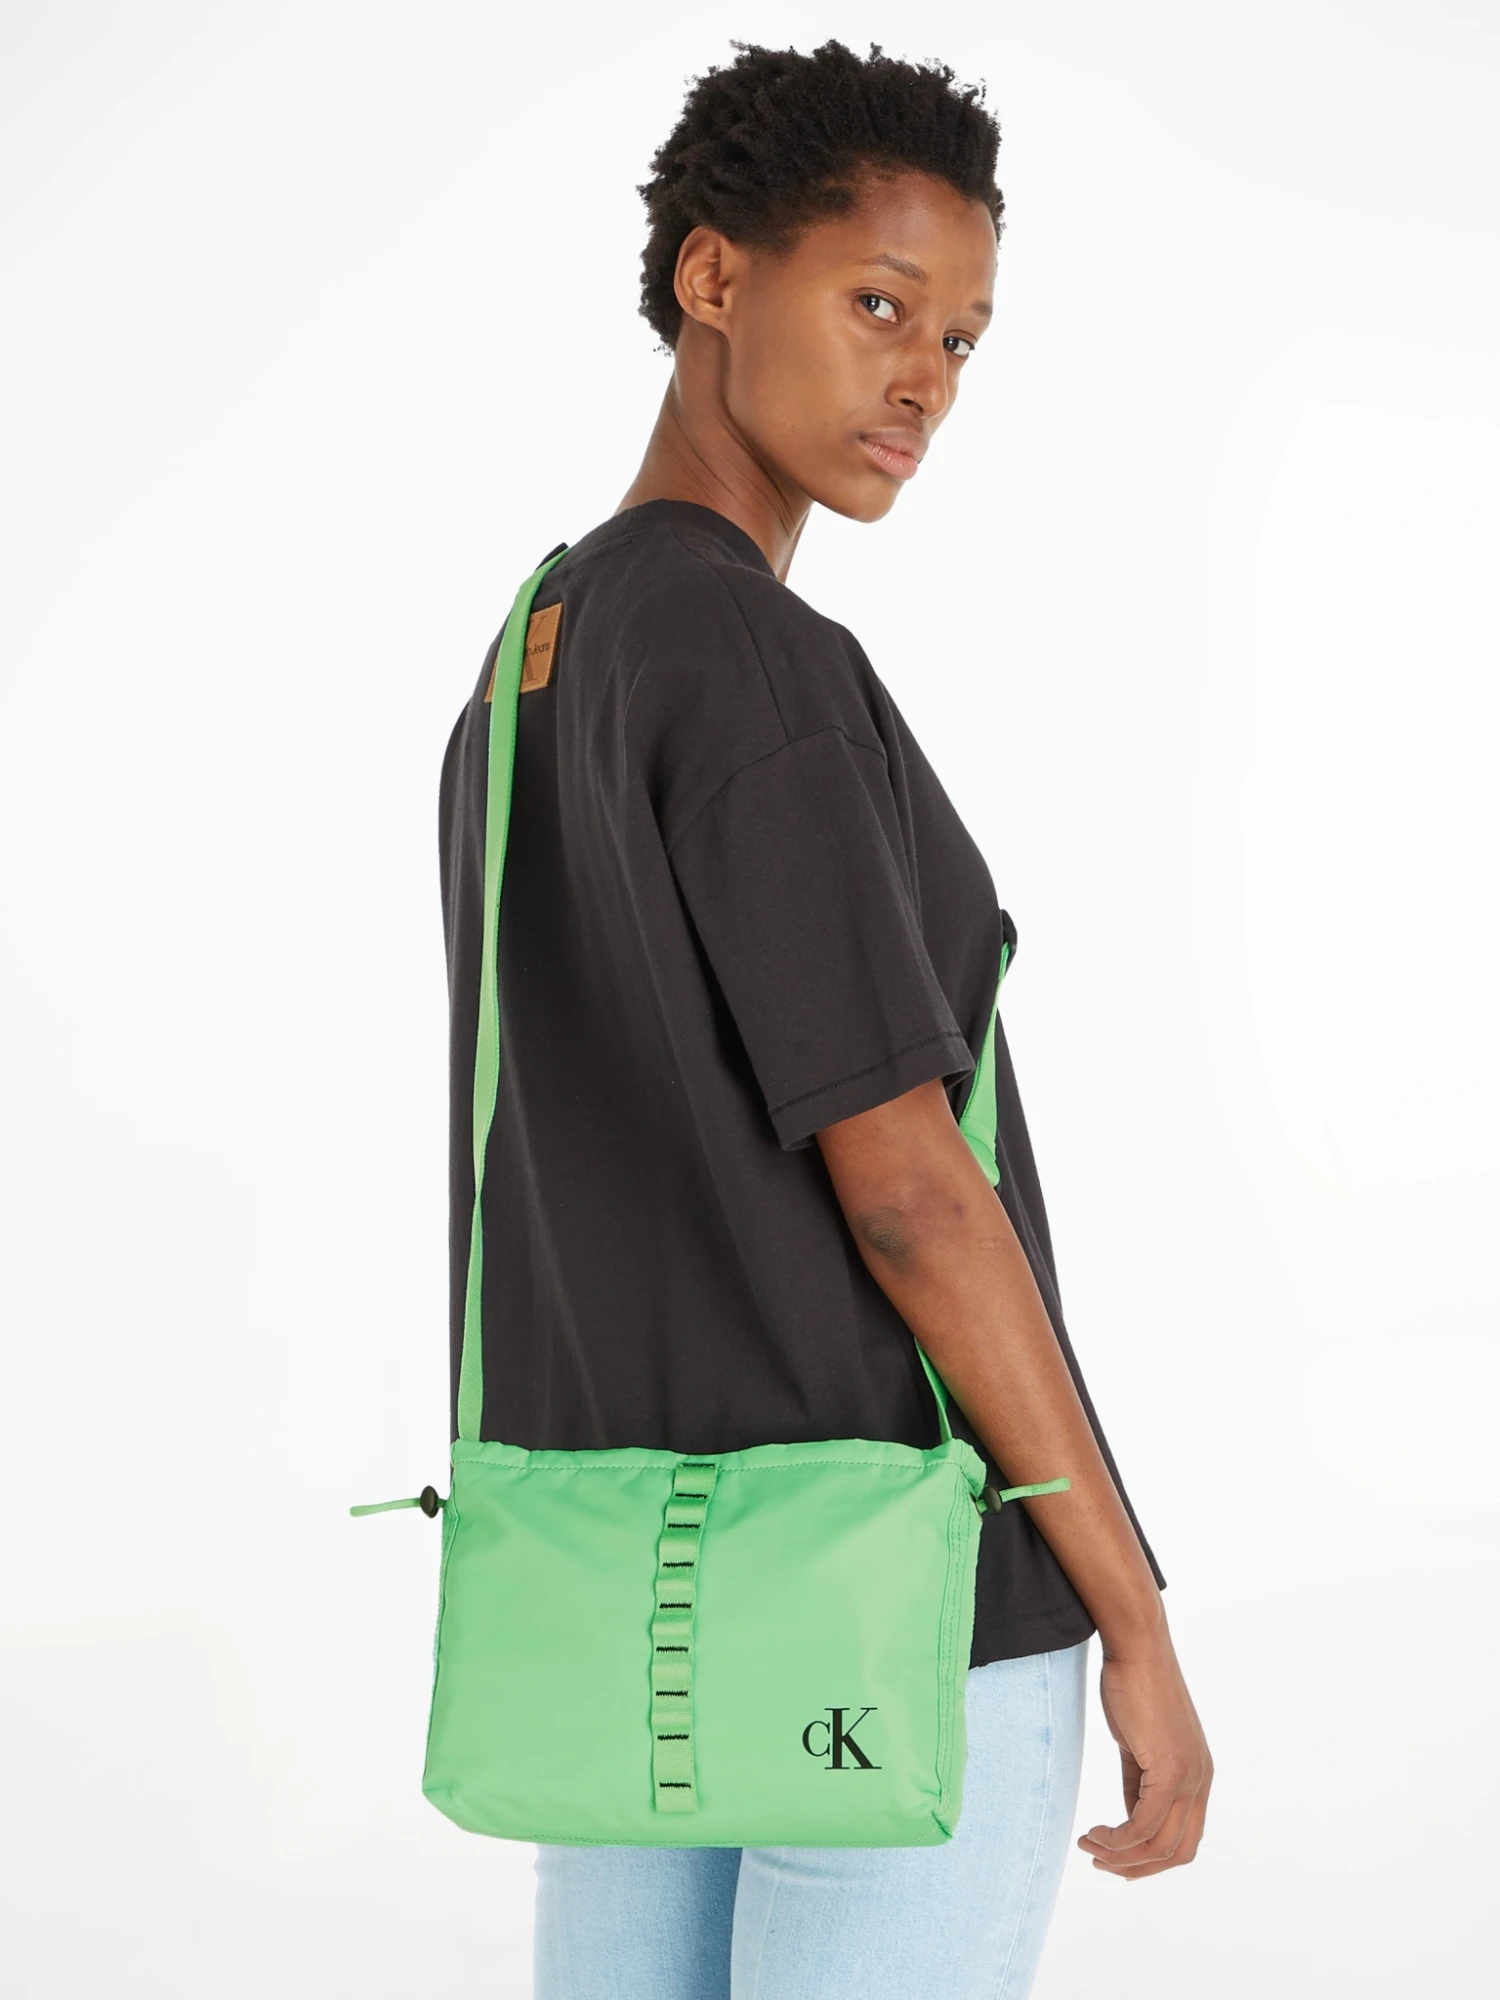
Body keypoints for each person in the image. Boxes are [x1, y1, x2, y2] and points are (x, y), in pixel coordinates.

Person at [437, 37, 1212, 2000]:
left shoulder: (531, 668)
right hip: (892, 1591)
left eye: (960, 338)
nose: (924, 379)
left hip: (633, 1584)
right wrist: (1130, 1607)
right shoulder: (751, 657)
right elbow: (911, 1192)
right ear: (714, 277)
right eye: (878, 304)